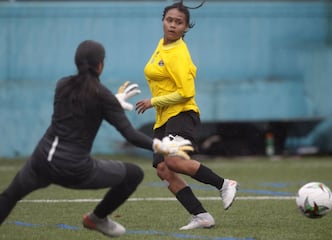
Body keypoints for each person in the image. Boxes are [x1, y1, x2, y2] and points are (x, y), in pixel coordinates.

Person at [0, 40, 193, 237]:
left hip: (40, 161)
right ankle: (97, 218)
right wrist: (160, 145)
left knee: (9, 196)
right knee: (134, 174)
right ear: (100, 65)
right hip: (73, 169)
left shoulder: (62, 85)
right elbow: (130, 135)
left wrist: (113, 103)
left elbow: (83, 104)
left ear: (76, 62)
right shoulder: (102, 96)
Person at [136, 1, 238, 230]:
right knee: (163, 169)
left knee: (174, 161)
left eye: (178, 22)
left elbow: (186, 93)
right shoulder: (162, 44)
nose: (172, 25)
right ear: (163, 21)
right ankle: (201, 216)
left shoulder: (178, 52)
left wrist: (153, 101)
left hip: (182, 115)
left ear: (186, 28)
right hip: (164, 119)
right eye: (169, 20)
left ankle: (224, 184)